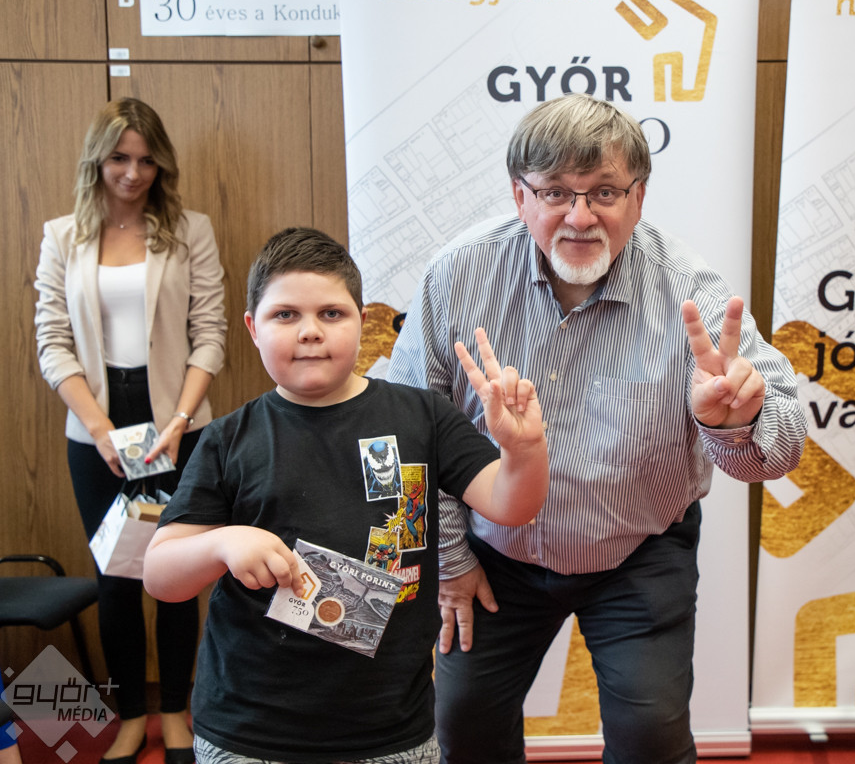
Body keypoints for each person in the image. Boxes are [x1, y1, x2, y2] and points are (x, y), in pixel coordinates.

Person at [388, 93, 808, 763]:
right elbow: (402, 437)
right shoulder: (455, 277)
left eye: (605, 192)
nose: (580, 217)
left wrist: (738, 424)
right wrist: (450, 562)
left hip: (639, 550)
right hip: (492, 553)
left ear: (639, 198)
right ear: (519, 196)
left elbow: (778, 455)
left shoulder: (692, 291)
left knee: (651, 737)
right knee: (461, 724)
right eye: (555, 192)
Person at [143, 227, 549, 764]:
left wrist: (525, 450)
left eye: (331, 313)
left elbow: (512, 506)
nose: (310, 331)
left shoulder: (422, 416)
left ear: (361, 319)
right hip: (249, 730)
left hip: (392, 731)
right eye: (285, 315)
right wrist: (223, 543)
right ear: (253, 328)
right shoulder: (229, 439)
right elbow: (161, 575)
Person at [33, 97, 226, 764]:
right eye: (120, 157)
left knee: (174, 571)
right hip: (98, 426)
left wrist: (178, 421)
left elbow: (210, 335)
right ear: (97, 159)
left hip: (177, 421)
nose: (134, 173)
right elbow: (52, 343)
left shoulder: (190, 230)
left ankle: (175, 711)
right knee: (115, 577)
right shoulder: (62, 237)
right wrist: (100, 429)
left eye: (146, 160)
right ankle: (129, 717)